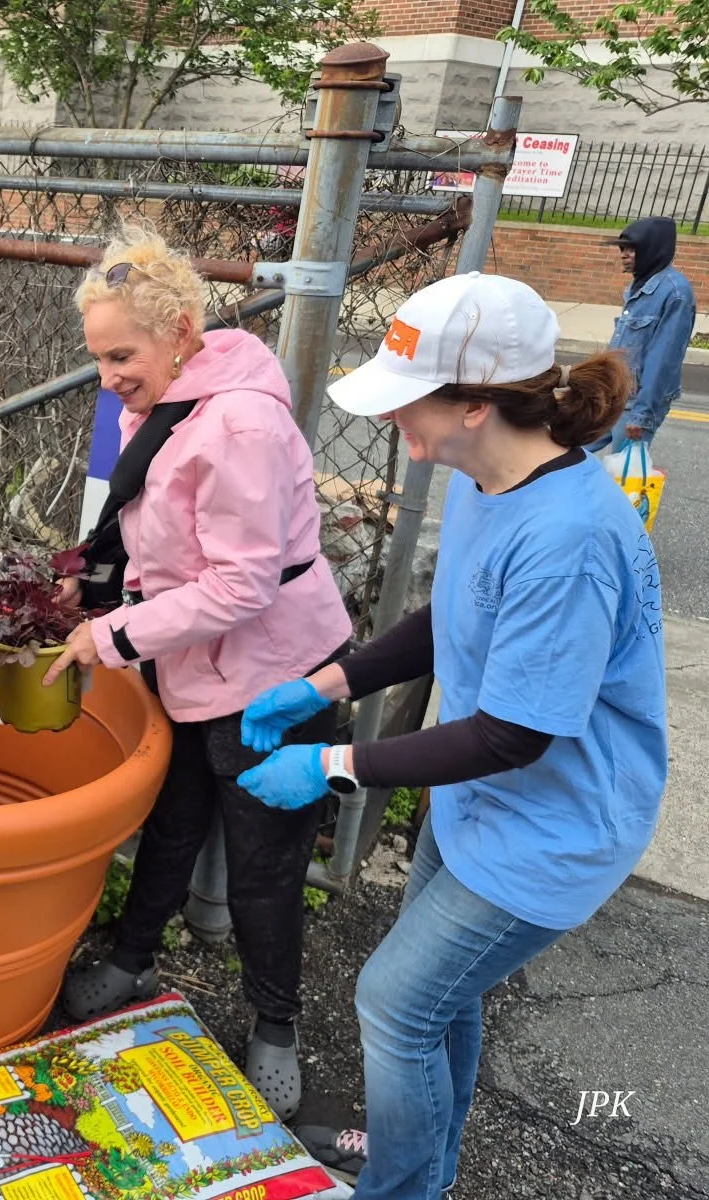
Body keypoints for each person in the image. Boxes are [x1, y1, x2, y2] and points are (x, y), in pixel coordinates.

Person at [236, 273, 667, 1199]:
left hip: (554, 828)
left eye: (406, 404)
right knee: (436, 1002)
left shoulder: (568, 537)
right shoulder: (490, 476)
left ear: (476, 404)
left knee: (394, 1004)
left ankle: (404, 1184)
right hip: (480, 806)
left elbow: (514, 736)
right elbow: (451, 615)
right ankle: (419, 1155)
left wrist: (333, 763)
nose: (396, 424)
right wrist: (327, 680)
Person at [41, 228, 353, 1120]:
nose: (107, 377)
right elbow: (139, 521)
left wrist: (112, 638)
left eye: (121, 355)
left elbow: (244, 583)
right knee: (171, 825)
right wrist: (93, 583)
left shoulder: (241, 421)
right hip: (189, 660)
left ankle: (276, 1025)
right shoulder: (153, 400)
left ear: (180, 330)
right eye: (98, 358)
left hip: (273, 675)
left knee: (265, 865)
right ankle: (134, 959)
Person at [589, 216, 697, 453]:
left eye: (631, 249)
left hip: (636, 402)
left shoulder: (676, 294)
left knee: (626, 475)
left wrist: (642, 415)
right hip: (615, 393)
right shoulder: (639, 285)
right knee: (573, 449)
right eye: (622, 248)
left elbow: (664, 360)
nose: (623, 254)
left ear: (652, 249)